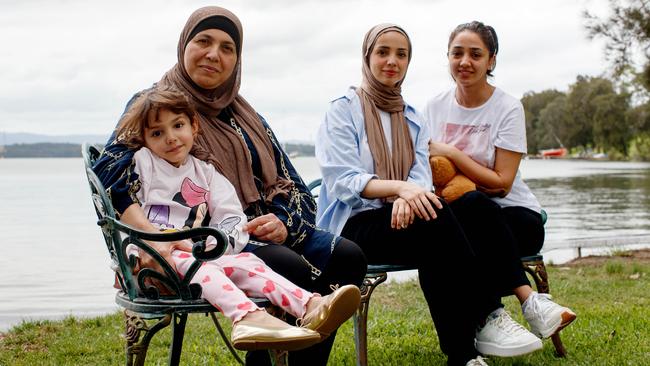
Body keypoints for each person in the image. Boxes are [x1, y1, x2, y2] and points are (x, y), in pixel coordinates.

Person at [92, 6, 367, 365]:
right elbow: (111, 171)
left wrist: (283, 222)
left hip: (266, 228)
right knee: (289, 266)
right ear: (184, 45)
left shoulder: (244, 113)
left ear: (237, 59)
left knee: (348, 257)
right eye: (203, 41)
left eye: (227, 47)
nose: (214, 54)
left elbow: (294, 184)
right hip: (209, 235)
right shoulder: (156, 106)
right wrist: (149, 234)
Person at [315, 23, 541, 366]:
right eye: (383, 52)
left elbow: (420, 174)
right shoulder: (343, 110)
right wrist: (401, 190)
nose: (392, 61)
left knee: (447, 219)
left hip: (401, 215)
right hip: (354, 224)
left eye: (401, 54)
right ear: (367, 56)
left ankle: (465, 354)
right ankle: (487, 317)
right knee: (435, 222)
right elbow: (343, 180)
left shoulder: (412, 118)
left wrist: (409, 195)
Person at [114, 86, 361, 351]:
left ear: (194, 125)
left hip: (194, 256)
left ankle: (311, 306)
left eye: (178, 125)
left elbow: (232, 216)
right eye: (157, 133)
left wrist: (211, 247)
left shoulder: (205, 172)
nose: (171, 138)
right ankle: (247, 317)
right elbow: (117, 192)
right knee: (203, 266)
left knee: (248, 261)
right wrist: (157, 242)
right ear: (145, 139)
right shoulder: (144, 162)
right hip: (150, 263)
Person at [423, 21, 576, 341]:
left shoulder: (507, 107)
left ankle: (486, 321)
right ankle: (528, 303)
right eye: (457, 53)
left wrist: (451, 151)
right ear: (448, 57)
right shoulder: (435, 106)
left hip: (517, 218)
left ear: (491, 60)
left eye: (475, 54)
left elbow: (502, 183)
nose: (465, 61)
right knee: (457, 227)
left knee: (470, 217)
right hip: (467, 218)